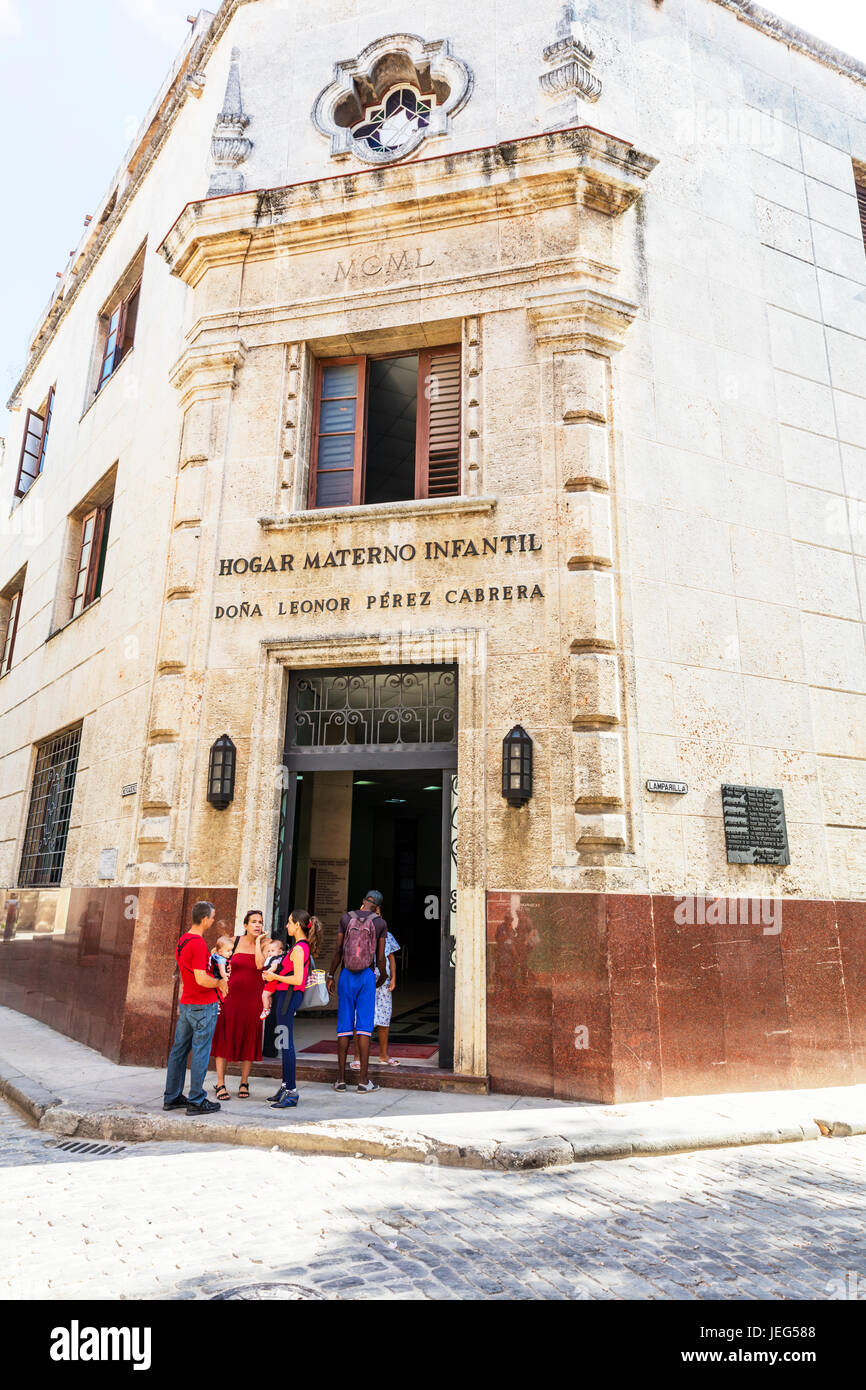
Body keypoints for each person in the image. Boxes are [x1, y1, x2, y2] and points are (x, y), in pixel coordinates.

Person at [163, 901, 228, 1116]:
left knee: (179, 1051)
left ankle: (172, 1096)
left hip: (187, 1003)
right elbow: (201, 979)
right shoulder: (198, 943)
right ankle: (197, 1100)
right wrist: (219, 982)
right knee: (200, 1052)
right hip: (202, 1005)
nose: (213, 920)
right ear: (204, 919)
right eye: (212, 917)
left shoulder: (184, 939)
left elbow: (189, 973)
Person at [326, 891, 388, 1093]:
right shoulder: (380, 923)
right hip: (366, 977)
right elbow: (380, 957)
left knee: (344, 1025)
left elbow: (338, 950)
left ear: (363, 901)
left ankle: (341, 1079)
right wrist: (383, 975)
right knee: (364, 1027)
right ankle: (363, 1081)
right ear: (377, 906)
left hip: (346, 975)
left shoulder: (346, 918)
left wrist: (330, 975)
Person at [264, 910, 322, 1109]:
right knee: (283, 1042)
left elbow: (298, 979)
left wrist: (274, 978)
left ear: (297, 925)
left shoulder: (299, 949)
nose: (287, 926)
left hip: (288, 997)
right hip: (284, 997)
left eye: (289, 922)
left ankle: (292, 1092)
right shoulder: (299, 947)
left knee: (286, 1043)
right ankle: (285, 1085)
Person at [210, 909, 266, 1100]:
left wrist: (258, 943)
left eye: (260, 922)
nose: (257, 925)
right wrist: (220, 976)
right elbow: (214, 955)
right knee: (225, 1036)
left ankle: (244, 1081)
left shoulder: (265, 943)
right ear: (245, 925)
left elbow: (260, 965)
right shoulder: (233, 941)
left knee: (249, 1037)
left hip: (254, 998)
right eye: (253, 922)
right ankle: (220, 1083)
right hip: (231, 997)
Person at [350, 930, 401, 1070]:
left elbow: (391, 958)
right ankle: (357, 1056)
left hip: (384, 984)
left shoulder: (387, 935)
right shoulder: (359, 934)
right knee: (359, 1018)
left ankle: (384, 1055)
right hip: (364, 983)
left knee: (384, 1018)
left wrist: (394, 978)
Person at [259, 936, 287, 1020]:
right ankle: (269, 1006)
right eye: (269, 951)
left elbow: (273, 968)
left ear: (280, 951)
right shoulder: (272, 958)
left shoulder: (276, 959)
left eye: (272, 951)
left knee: (264, 995)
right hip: (272, 980)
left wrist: (267, 973)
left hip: (273, 981)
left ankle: (266, 1009)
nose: (270, 953)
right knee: (269, 996)